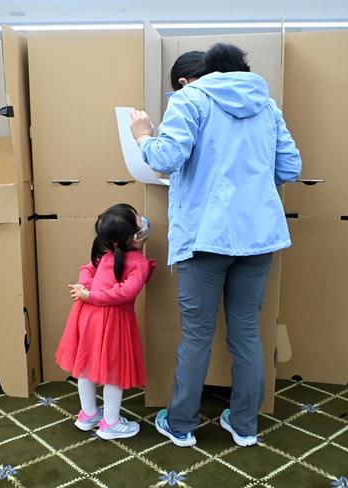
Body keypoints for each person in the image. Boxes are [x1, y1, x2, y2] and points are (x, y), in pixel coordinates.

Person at [130, 44, 301, 448]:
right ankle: (244, 426)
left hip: (204, 237)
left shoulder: (190, 99)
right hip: (258, 238)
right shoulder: (267, 106)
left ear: (207, 72)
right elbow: (290, 168)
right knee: (245, 333)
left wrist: (143, 136)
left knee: (196, 336)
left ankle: (182, 424)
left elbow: (164, 158)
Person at [55, 203, 156, 440]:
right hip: (112, 322)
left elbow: (87, 269)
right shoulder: (138, 263)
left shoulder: (106, 252)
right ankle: (110, 423)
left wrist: (87, 291)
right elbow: (125, 293)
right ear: (134, 236)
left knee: (85, 368)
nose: (144, 220)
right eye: (139, 220)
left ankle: (89, 414)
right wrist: (89, 292)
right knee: (114, 373)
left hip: (87, 316)